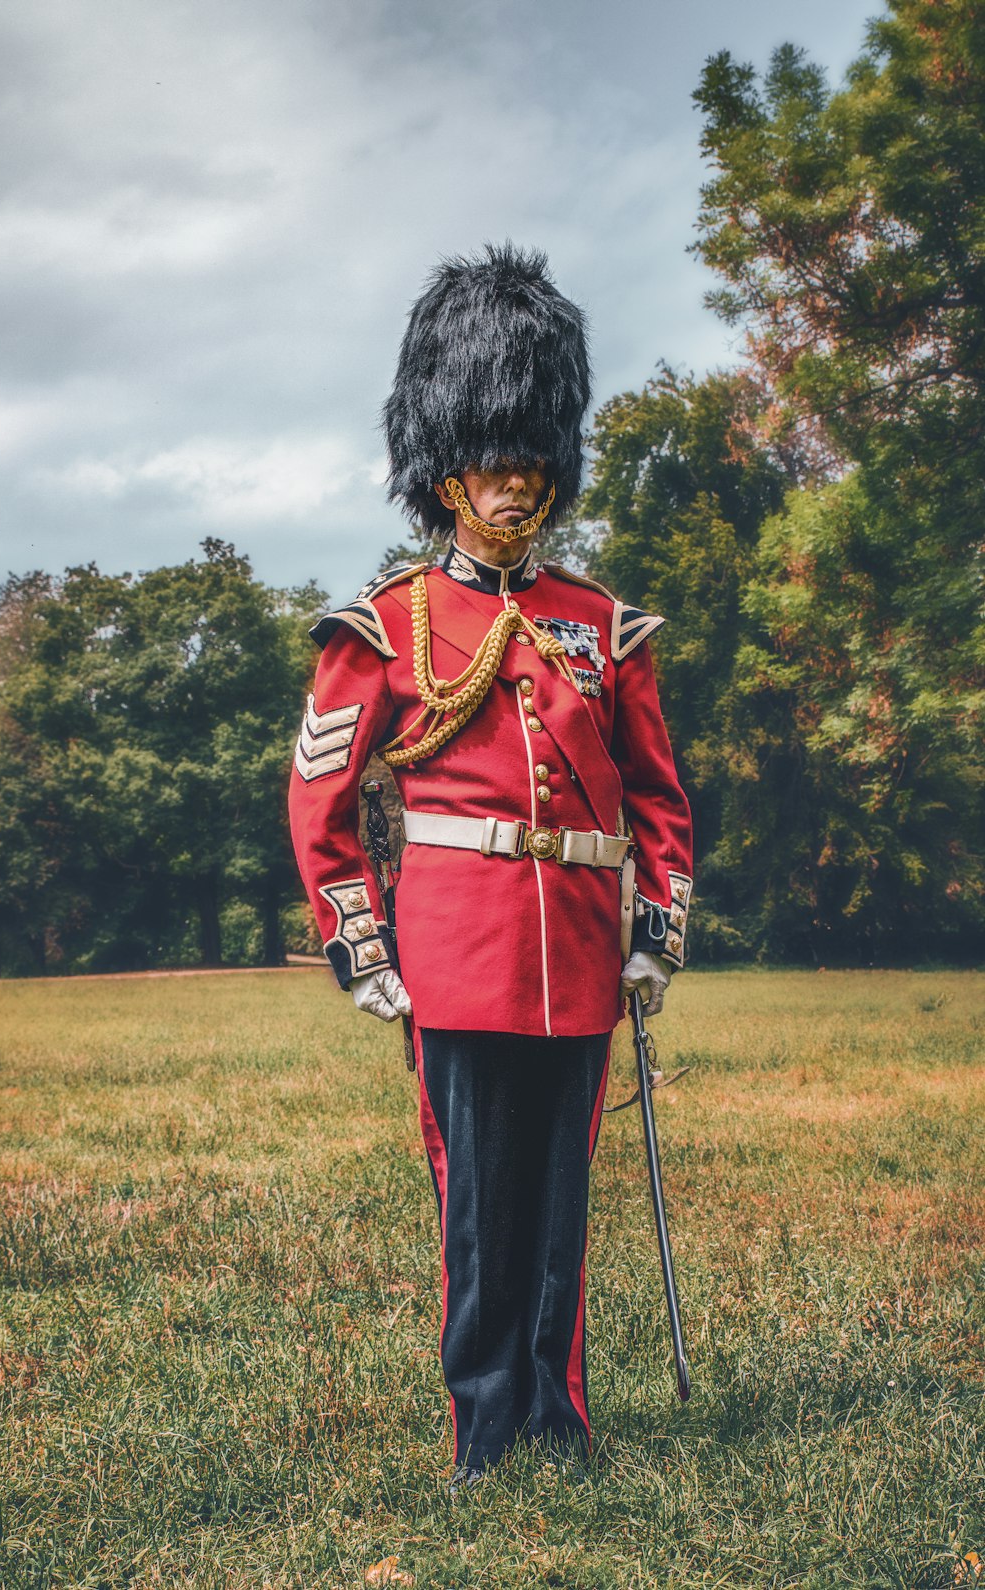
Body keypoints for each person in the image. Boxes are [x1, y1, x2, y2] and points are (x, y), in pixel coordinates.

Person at [288, 243, 693, 1490]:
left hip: (576, 951)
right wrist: (361, 942)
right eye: (490, 457)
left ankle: (556, 1414)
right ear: (441, 466)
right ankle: (482, 1424)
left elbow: (659, 801)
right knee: (476, 1203)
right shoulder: (392, 622)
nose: (514, 484)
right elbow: (322, 802)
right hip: (455, 954)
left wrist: (653, 932)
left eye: (532, 458)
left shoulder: (599, 622)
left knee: (560, 1205)